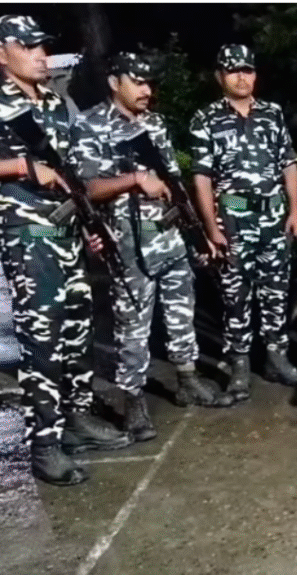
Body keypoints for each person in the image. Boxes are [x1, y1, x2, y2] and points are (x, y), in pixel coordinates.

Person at [70, 52, 234, 444]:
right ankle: (133, 401)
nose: (147, 90)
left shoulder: (155, 123)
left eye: (150, 83)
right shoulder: (90, 124)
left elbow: (173, 181)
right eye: (138, 82)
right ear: (115, 83)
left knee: (181, 309)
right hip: (128, 241)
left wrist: (198, 232)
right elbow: (86, 187)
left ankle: (187, 378)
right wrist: (133, 179)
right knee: (133, 322)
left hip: (169, 233)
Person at [0, 14, 131, 486]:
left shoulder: (57, 104)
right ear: (2, 53)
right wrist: (20, 166)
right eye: (28, 46)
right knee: (43, 336)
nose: (41, 55)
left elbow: (76, 175)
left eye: (43, 46)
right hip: (28, 234)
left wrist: (92, 224)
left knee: (77, 328)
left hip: (67, 229)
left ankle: (76, 418)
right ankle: (44, 444)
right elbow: (29, 169)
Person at [190, 44, 297, 400]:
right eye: (234, 71)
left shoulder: (272, 113)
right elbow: (202, 177)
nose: (242, 77)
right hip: (233, 216)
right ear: (220, 76)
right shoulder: (206, 118)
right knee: (235, 293)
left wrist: (295, 211)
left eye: (248, 70)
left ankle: (276, 355)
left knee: (276, 289)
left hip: (273, 215)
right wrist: (211, 228)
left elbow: (288, 163)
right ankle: (238, 362)